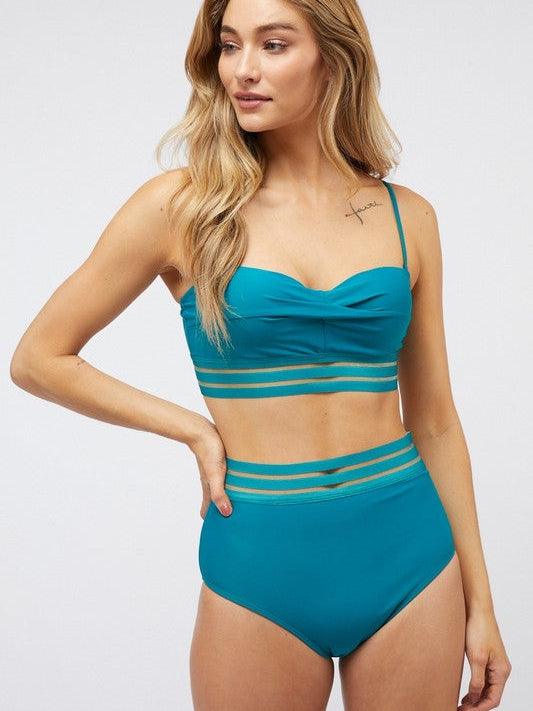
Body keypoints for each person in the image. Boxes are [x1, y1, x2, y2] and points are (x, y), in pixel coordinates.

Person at [10, 0, 512, 709]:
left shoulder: (409, 217)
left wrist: (481, 604)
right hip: (260, 560)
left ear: (332, 58)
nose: (243, 69)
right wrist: (192, 429)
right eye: (229, 46)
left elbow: (433, 420)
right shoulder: (183, 208)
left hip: (409, 553)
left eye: (273, 45)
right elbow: (38, 357)